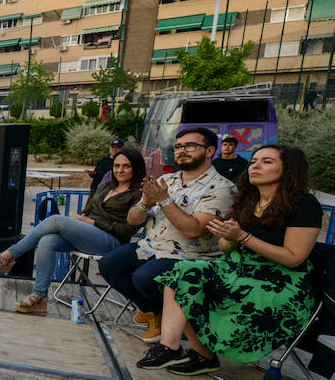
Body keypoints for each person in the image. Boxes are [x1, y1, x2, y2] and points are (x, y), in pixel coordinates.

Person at [140, 145, 321, 375]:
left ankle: (199, 352)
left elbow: (294, 259)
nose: (255, 166)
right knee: (182, 273)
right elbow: (227, 247)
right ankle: (180, 349)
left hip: (279, 281)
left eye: (267, 161)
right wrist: (228, 237)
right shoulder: (248, 199)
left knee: (209, 287)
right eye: (254, 161)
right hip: (236, 268)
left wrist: (243, 237)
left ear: (289, 169)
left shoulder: (304, 204)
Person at [98, 126, 234, 342]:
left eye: (190, 145)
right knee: (109, 264)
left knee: (143, 277)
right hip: (151, 247)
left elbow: (193, 230)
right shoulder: (167, 180)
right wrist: (145, 205)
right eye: (178, 146)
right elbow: (132, 220)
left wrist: (164, 200)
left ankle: (178, 323)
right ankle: (154, 312)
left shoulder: (221, 188)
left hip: (188, 256)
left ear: (209, 151)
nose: (182, 150)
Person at [0, 148, 145, 314]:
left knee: (55, 220)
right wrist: (81, 218)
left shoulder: (138, 194)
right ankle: (39, 297)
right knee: (47, 240)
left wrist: (91, 222)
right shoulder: (106, 186)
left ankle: (9, 256)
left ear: (136, 168)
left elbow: (127, 230)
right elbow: (89, 208)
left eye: (126, 166)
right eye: (116, 165)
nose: (119, 170)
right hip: (88, 234)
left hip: (112, 242)